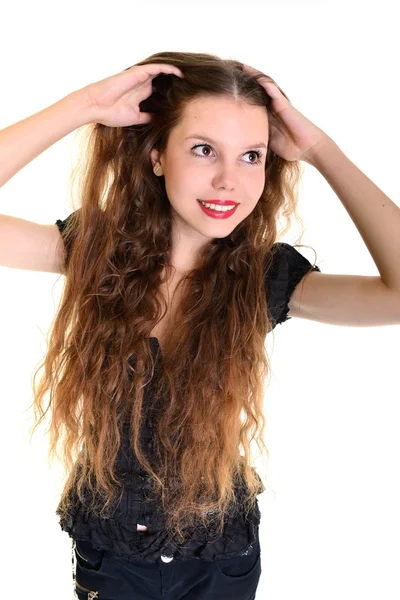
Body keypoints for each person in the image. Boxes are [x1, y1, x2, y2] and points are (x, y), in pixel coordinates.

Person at [2, 51, 398, 600]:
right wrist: (84, 106)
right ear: (157, 154)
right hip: (111, 553)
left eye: (252, 156)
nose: (228, 181)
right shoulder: (96, 250)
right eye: (204, 149)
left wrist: (318, 151)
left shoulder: (265, 278)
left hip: (220, 559)